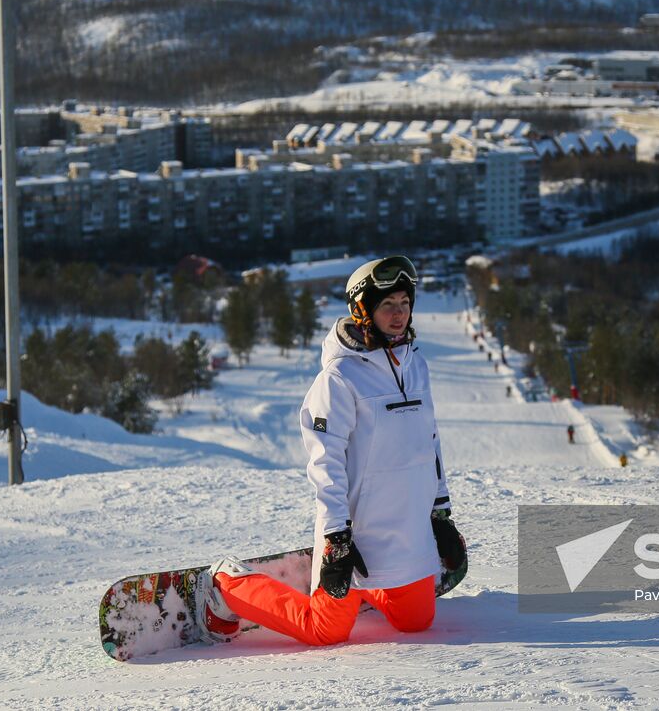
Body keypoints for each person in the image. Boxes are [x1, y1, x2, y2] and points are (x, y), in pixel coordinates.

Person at [196, 255, 466, 646]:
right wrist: (337, 537)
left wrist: (440, 512)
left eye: (405, 304)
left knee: (417, 621)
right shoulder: (339, 378)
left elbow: (431, 442)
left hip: (408, 528)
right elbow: (325, 462)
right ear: (363, 310)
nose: (399, 314)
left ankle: (367, 588)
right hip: (357, 532)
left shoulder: (415, 365)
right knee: (325, 632)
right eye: (387, 305)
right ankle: (228, 583)